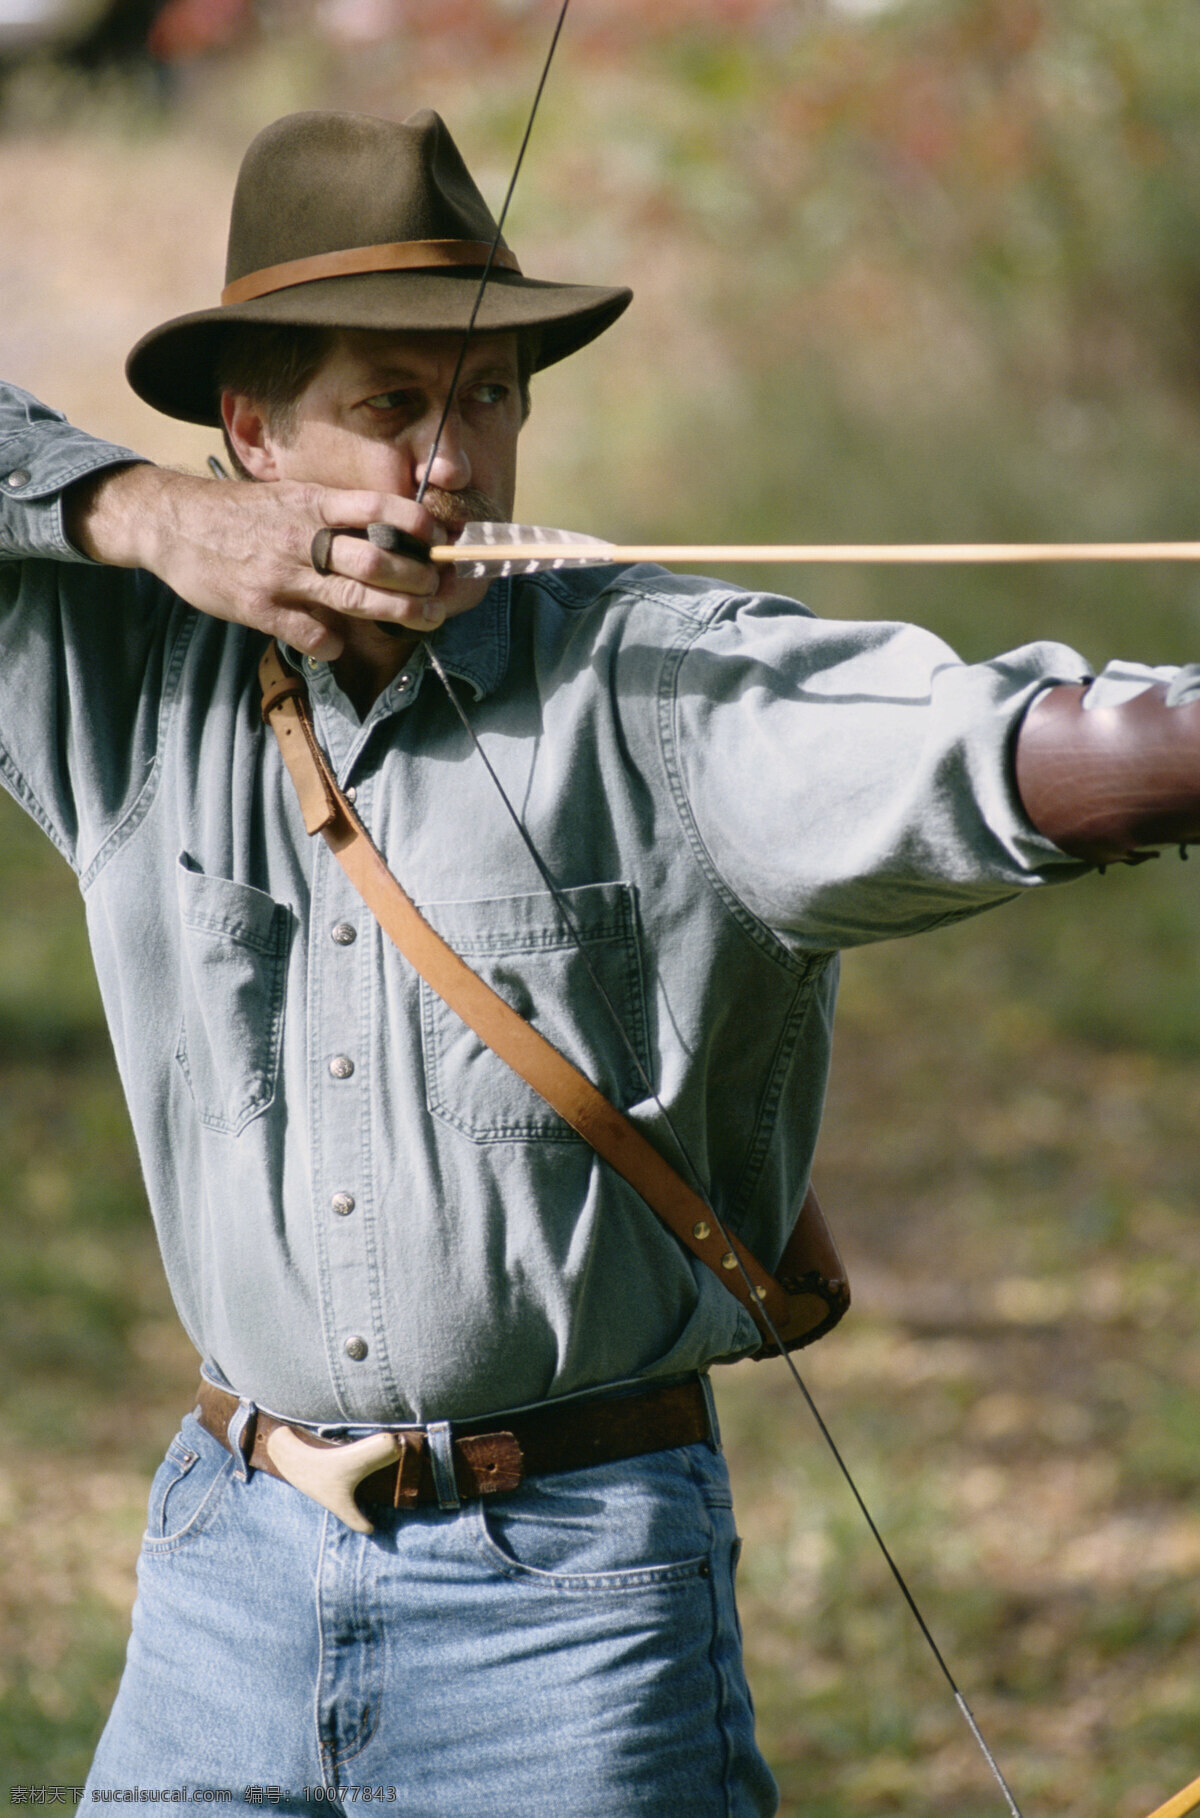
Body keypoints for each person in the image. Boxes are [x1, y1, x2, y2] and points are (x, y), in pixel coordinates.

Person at [2, 105, 1198, 1815]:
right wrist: (133, 513)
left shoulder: (653, 681)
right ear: (252, 436)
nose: (450, 463)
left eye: (486, 395)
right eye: (389, 403)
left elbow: (1012, 750)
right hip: (223, 1578)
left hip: (566, 1605)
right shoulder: (133, 680)